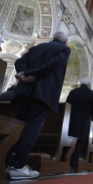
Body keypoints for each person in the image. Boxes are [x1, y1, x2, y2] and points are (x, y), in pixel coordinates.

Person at [5, 32, 71, 179]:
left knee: (17, 126)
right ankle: (18, 165)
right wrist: (31, 73)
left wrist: (23, 74)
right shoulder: (64, 49)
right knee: (34, 125)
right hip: (43, 93)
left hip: (24, 92)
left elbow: (19, 62)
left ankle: (5, 163)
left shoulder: (36, 48)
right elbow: (54, 64)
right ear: (65, 41)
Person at [67, 77, 93, 173]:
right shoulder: (91, 93)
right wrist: (92, 118)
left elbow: (67, 104)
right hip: (83, 121)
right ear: (89, 85)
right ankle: (73, 164)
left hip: (70, 120)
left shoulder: (73, 92)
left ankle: (64, 160)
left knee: (68, 140)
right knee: (80, 142)